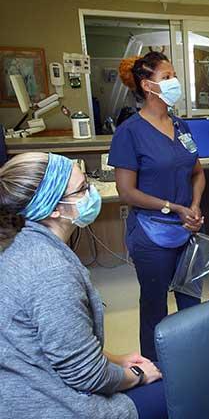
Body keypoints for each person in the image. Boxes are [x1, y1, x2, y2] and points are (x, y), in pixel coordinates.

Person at [0, 152, 166, 419]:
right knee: (176, 389)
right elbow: (86, 375)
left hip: (27, 381)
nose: (92, 194)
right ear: (54, 208)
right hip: (48, 405)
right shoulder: (50, 270)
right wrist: (134, 374)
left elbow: (64, 344)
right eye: (82, 189)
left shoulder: (17, 243)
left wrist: (118, 360)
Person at [109, 51, 205, 361]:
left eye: (174, 75)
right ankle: (154, 368)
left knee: (191, 300)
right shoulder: (129, 133)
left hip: (188, 229)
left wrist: (194, 206)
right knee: (154, 306)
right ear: (148, 86)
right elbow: (126, 191)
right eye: (167, 77)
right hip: (151, 234)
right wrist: (174, 207)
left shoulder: (181, 127)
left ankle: (192, 360)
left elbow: (198, 172)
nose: (174, 82)